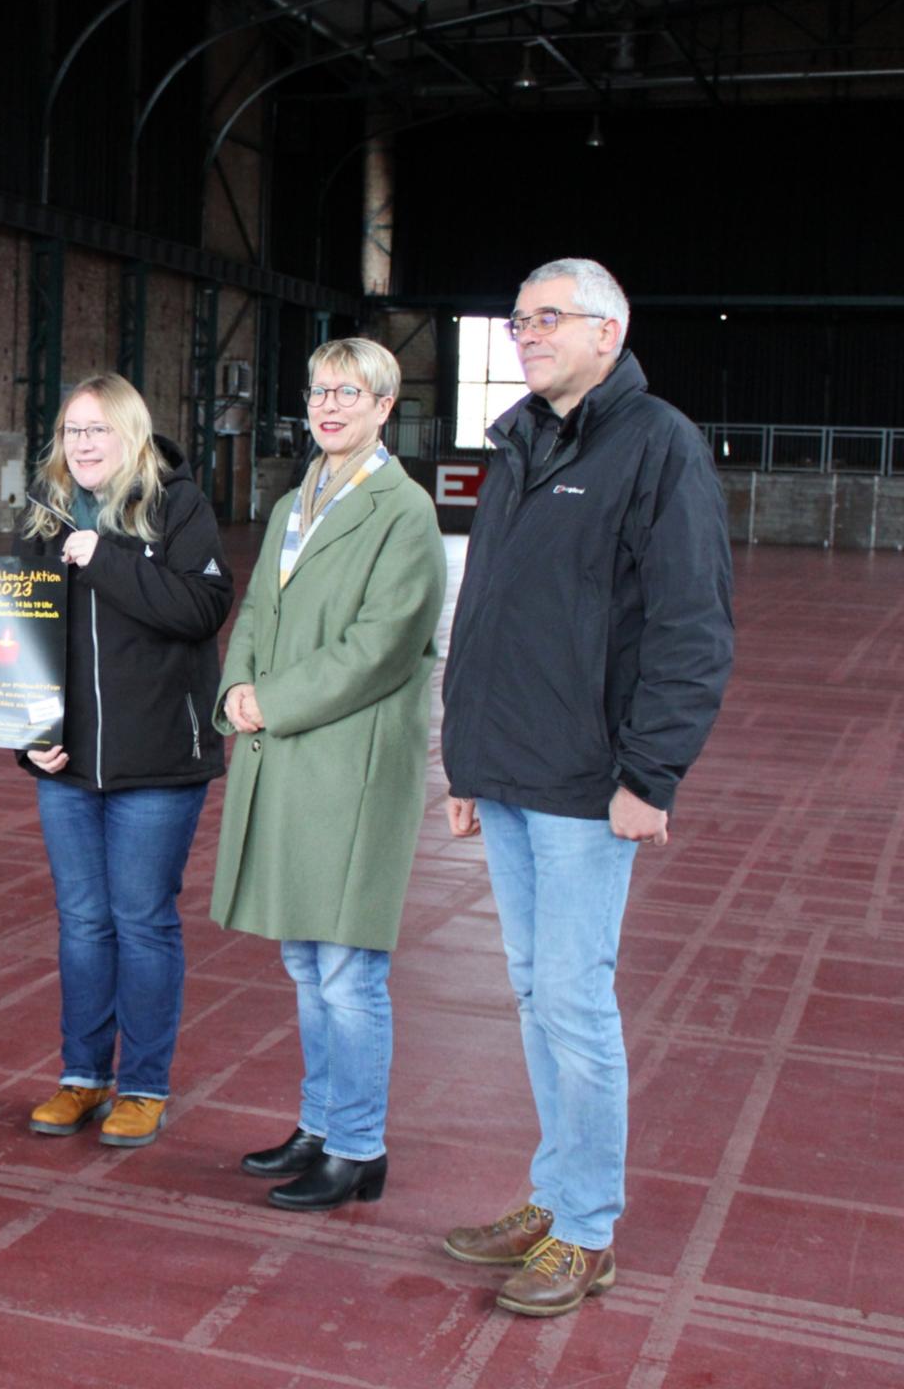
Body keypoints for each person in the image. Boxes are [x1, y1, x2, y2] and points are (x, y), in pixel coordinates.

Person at [441, 258, 733, 1316]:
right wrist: (464, 761)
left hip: (584, 784)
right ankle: (552, 1193)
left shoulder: (654, 444)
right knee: (531, 994)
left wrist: (648, 776)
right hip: (509, 769)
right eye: (517, 318)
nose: (525, 332)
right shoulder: (520, 440)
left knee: (573, 999)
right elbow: (485, 613)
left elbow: (690, 627)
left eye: (546, 317)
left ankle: (586, 1230)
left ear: (606, 333)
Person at [209, 338, 447, 1210]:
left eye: (350, 391)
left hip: (349, 764)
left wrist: (270, 701)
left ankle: (358, 1147)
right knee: (308, 965)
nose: (330, 405)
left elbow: (381, 647)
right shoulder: (294, 500)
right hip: (289, 756)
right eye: (318, 390)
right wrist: (235, 683)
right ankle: (319, 1124)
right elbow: (259, 610)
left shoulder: (403, 509)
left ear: (386, 406)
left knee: (348, 970)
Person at [15, 374, 233, 1148]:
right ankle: (81, 1077)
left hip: (158, 763)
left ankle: (141, 1085)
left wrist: (103, 557)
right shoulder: (42, 521)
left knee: (140, 923)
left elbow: (201, 609)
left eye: (98, 430)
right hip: (68, 770)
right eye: (72, 431)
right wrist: (28, 741)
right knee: (81, 924)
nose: (81, 445)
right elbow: (23, 644)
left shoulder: (180, 506)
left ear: (132, 434)